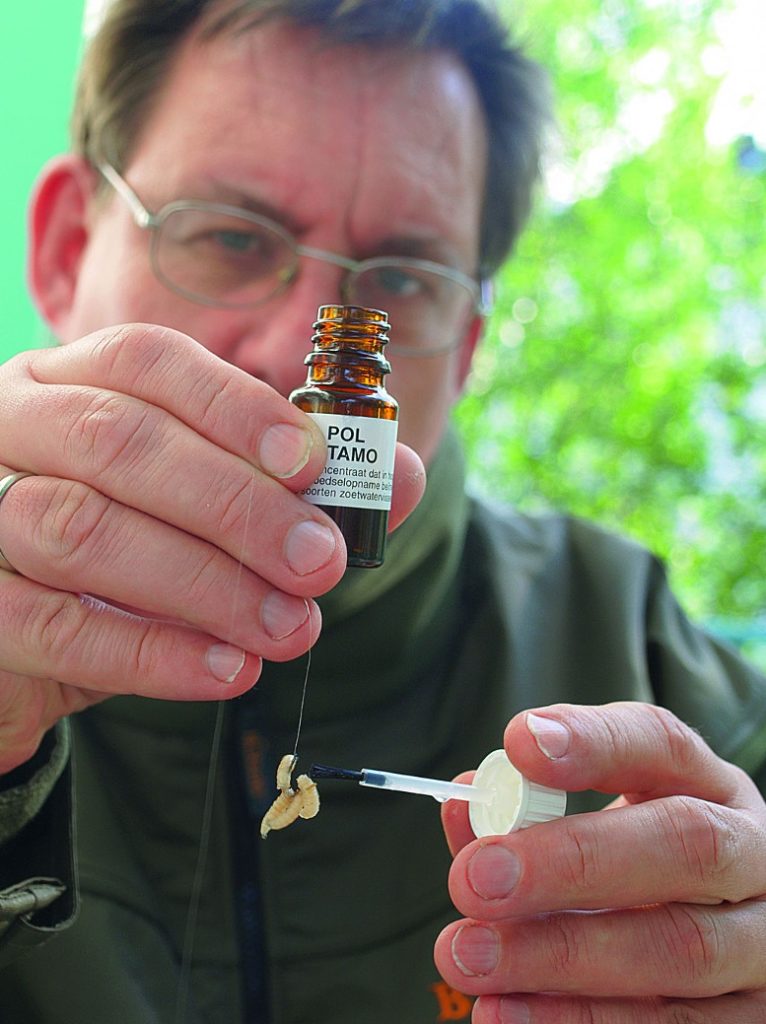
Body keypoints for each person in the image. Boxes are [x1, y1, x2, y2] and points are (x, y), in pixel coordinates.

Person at [0, 0, 765, 1021]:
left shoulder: (630, 639)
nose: (295, 352)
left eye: (401, 278)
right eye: (230, 236)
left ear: (466, 344)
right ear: (61, 249)